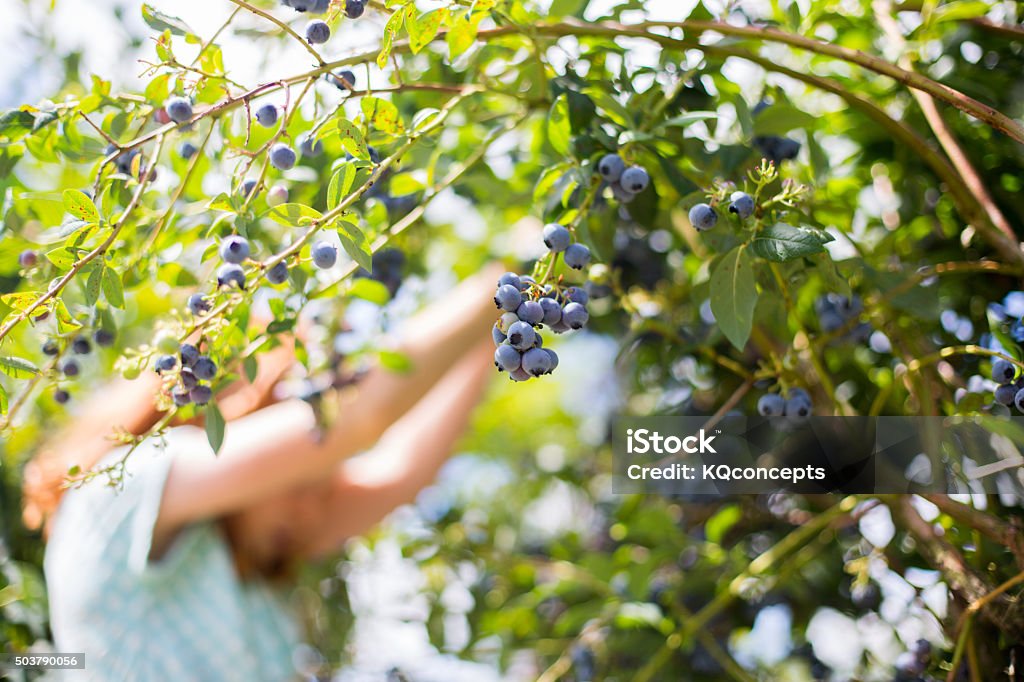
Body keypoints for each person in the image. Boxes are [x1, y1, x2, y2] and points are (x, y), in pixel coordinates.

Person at [21, 264, 505, 681]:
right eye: (298, 476)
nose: (314, 505)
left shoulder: (235, 549)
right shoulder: (122, 489)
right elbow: (355, 421)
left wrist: (505, 315)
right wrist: (503, 280)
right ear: (234, 421)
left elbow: (402, 469)